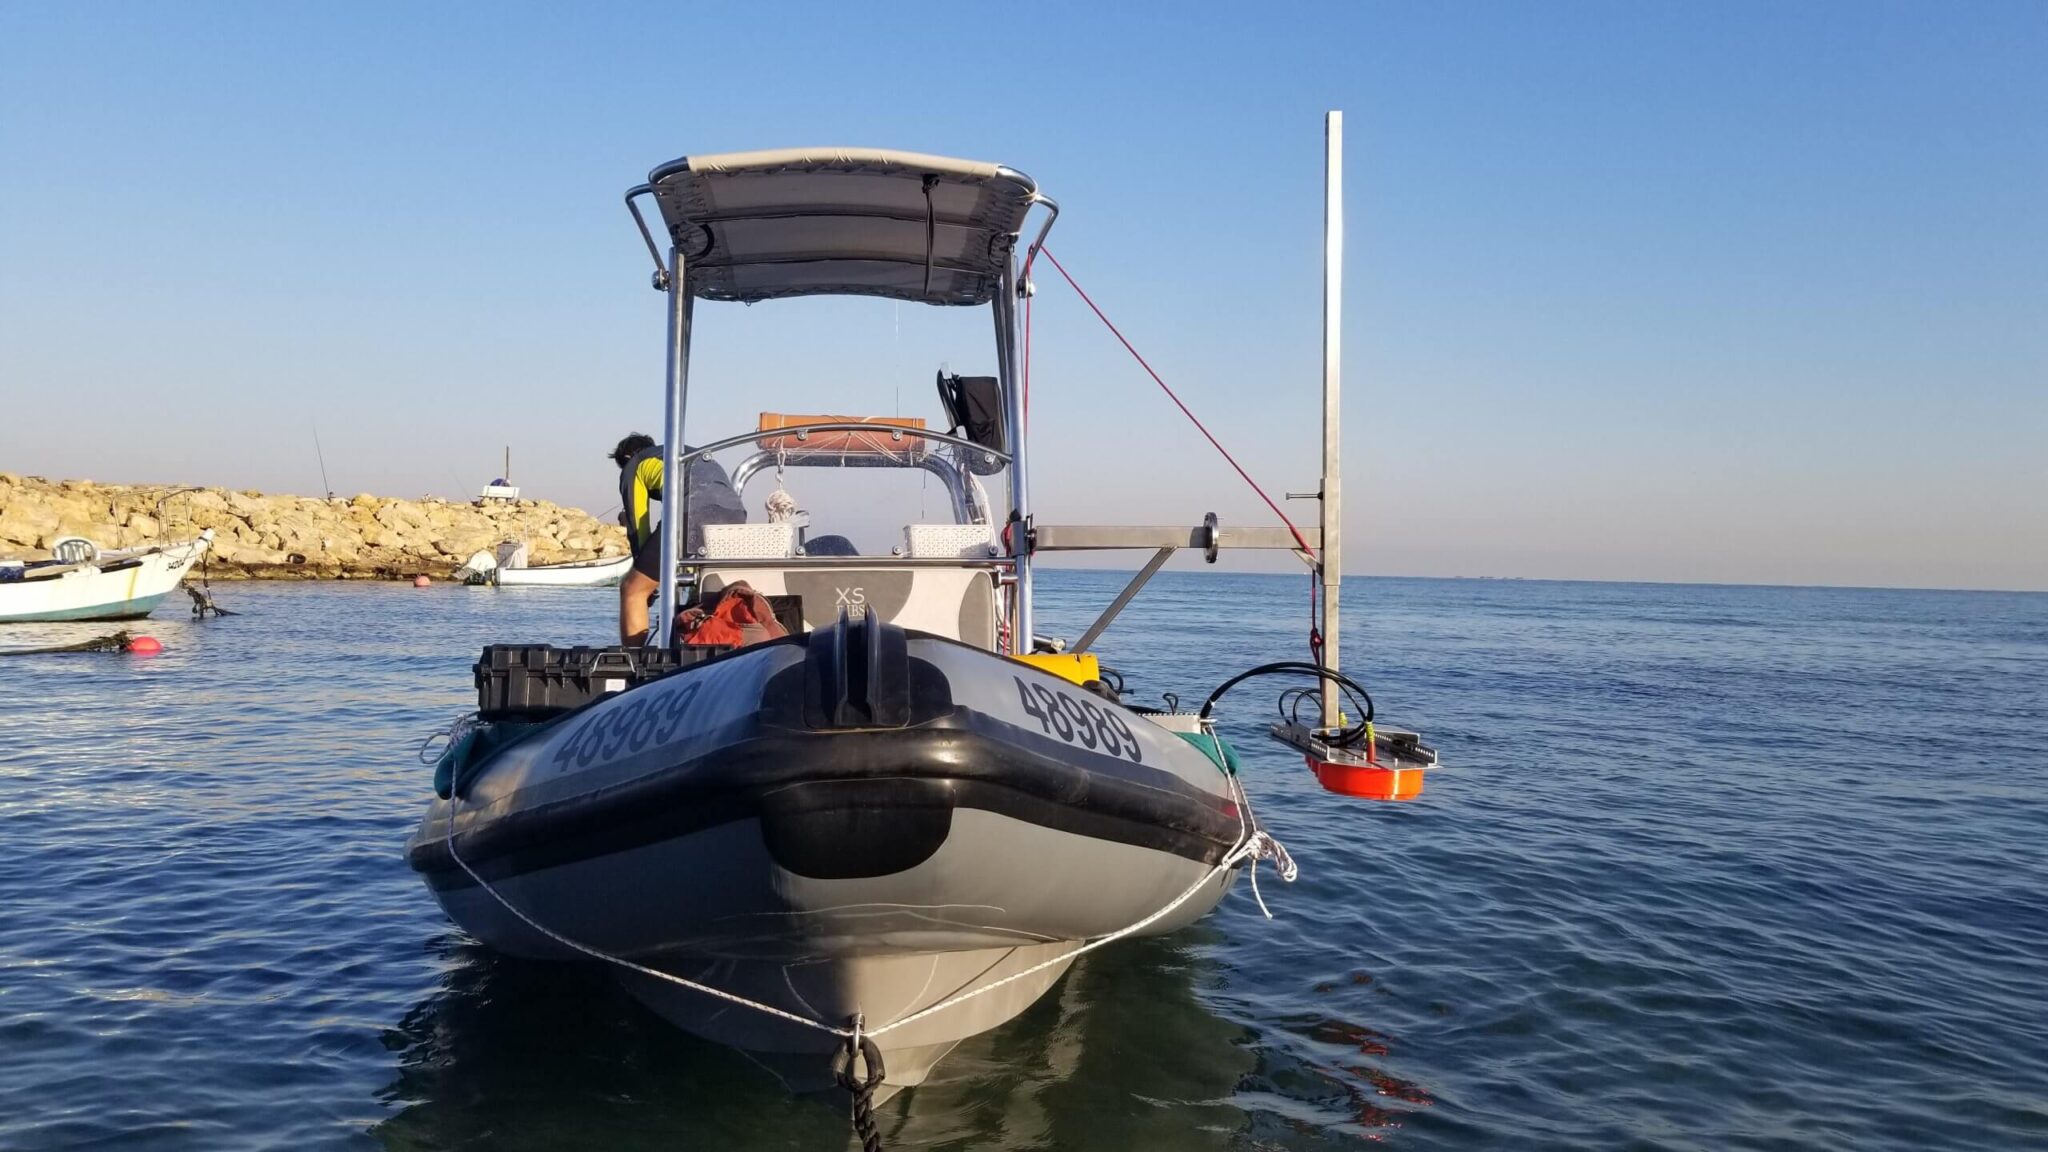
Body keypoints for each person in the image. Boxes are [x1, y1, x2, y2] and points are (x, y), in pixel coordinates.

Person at [611, 433, 747, 644]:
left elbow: (638, 526)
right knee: (703, 588)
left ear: (628, 457)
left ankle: (633, 667)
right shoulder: (681, 452)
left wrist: (646, 581)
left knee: (632, 590)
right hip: (735, 512)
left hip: (691, 510)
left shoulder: (635, 464)